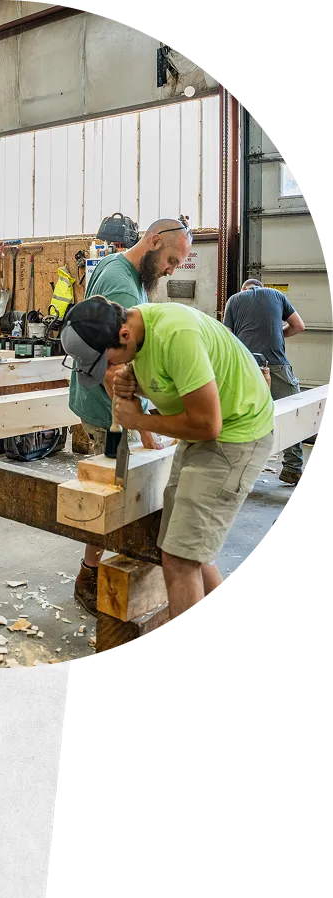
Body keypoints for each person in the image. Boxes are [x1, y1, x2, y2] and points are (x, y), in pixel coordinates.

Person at [60, 295, 274, 622]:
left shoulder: (175, 335)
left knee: (180, 560)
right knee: (188, 551)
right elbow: (168, 386)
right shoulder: (135, 337)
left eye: (109, 362)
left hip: (236, 435)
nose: (111, 371)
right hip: (203, 434)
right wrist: (135, 388)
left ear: (124, 336)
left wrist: (140, 422)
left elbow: (208, 424)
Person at [66, 218, 191, 609]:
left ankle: (103, 568)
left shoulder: (118, 265)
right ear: (154, 242)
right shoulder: (123, 281)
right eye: (171, 259)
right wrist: (145, 428)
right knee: (114, 490)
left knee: (115, 487)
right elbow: (116, 371)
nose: (172, 270)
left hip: (108, 409)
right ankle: (90, 575)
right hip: (113, 413)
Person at [223, 277, 308, 485]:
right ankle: (292, 469)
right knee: (292, 416)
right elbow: (299, 326)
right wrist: (277, 333)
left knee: (243, 418)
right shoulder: (277, 295)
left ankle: (239, 472)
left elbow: (226, 336)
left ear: (244, 288)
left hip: (246, 368)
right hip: (276, 365)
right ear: (261, 287)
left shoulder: (234, 300)